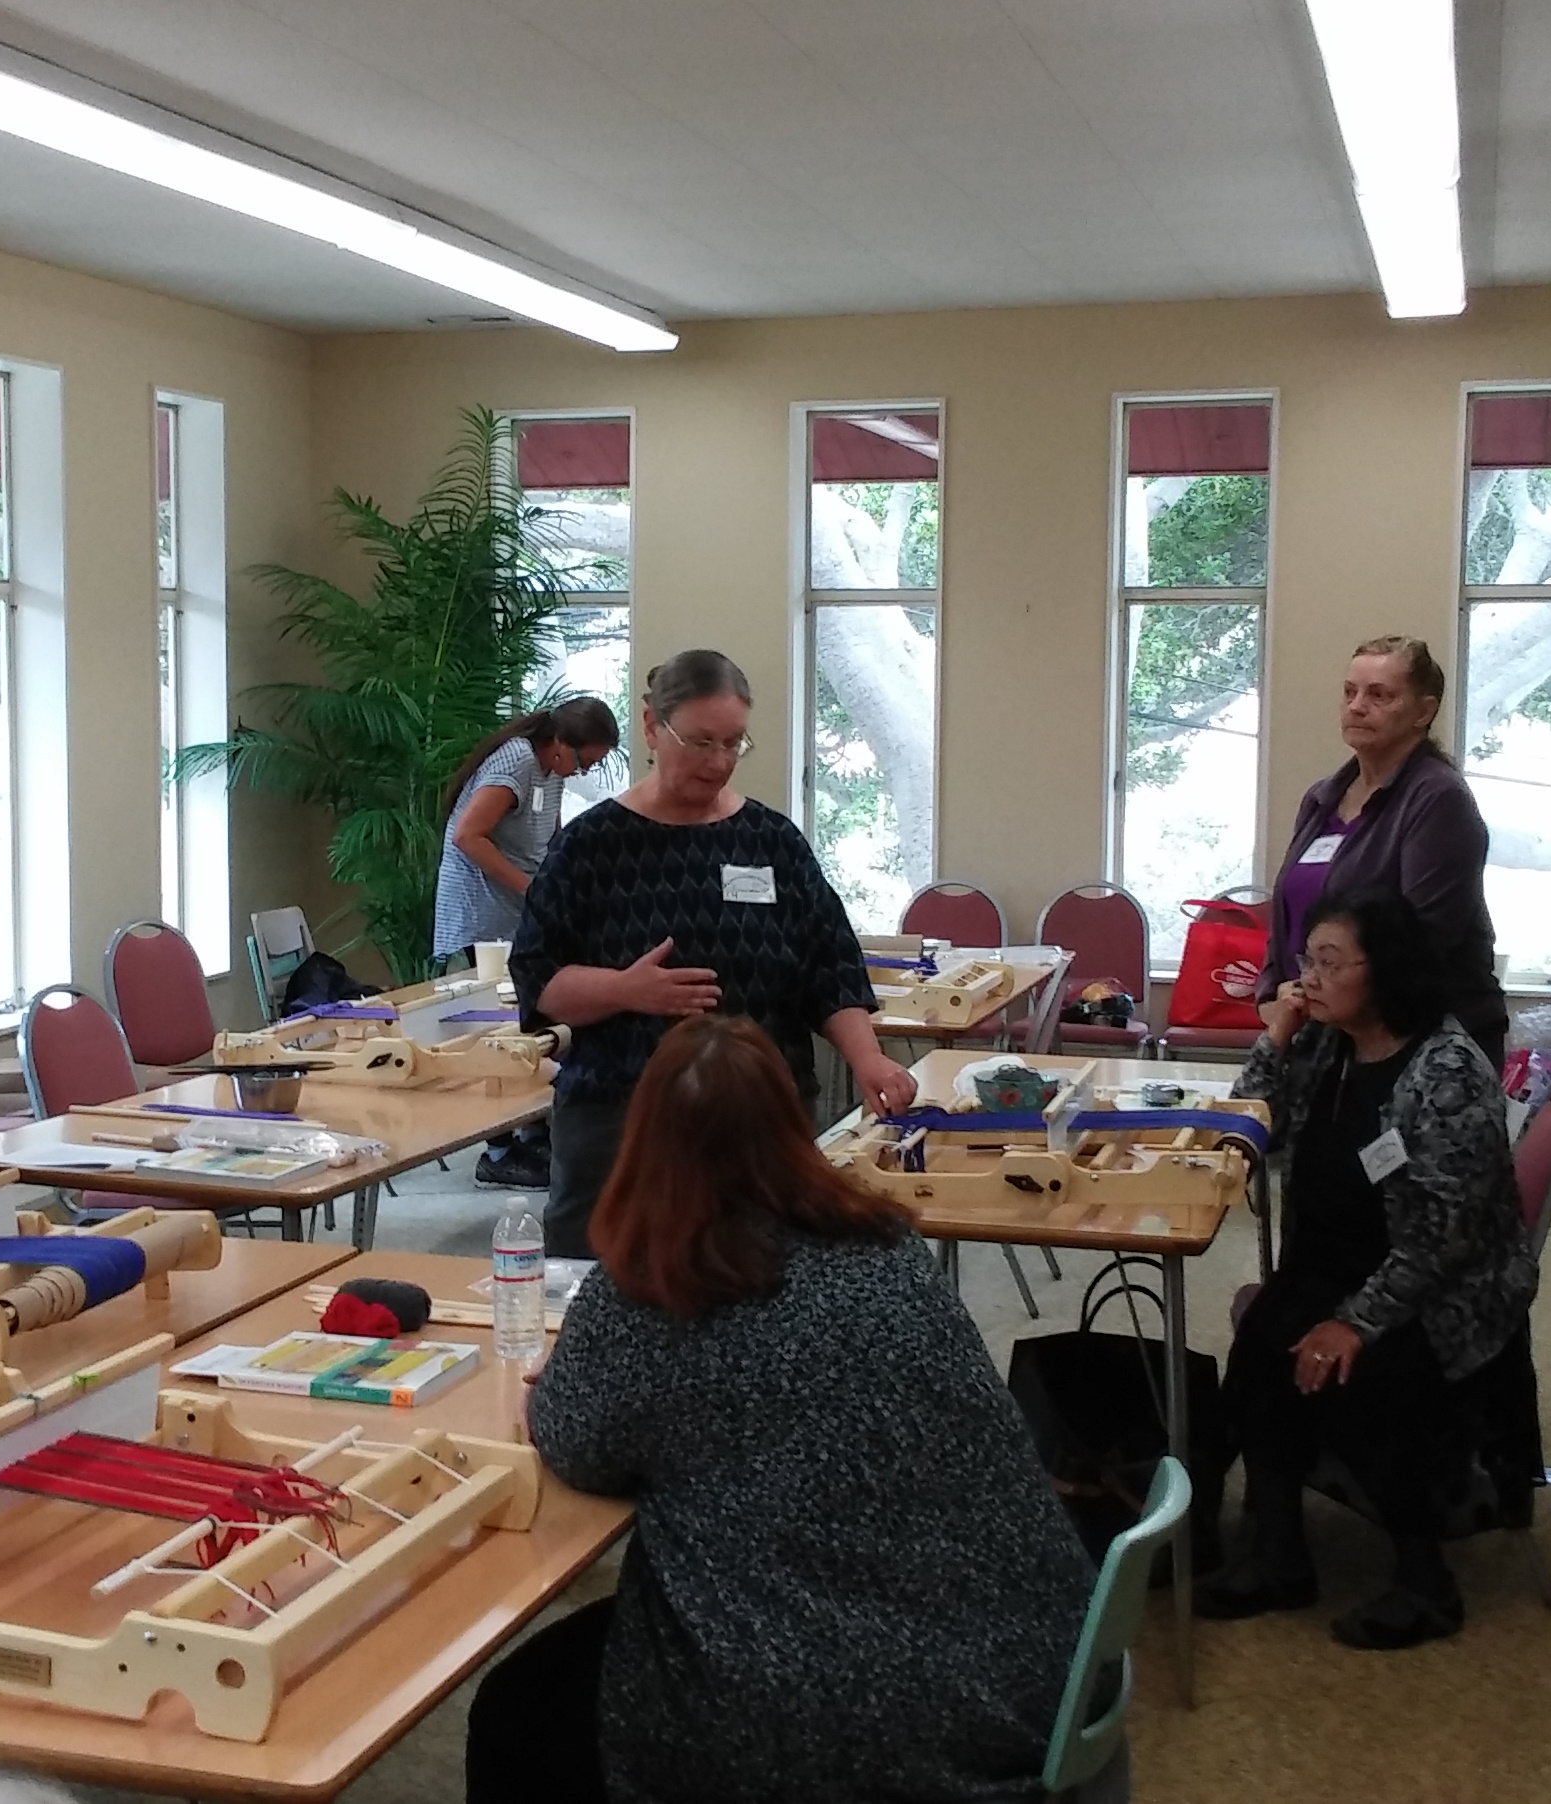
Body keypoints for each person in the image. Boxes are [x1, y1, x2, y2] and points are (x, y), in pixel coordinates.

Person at [465, 1017, 1101, 1804]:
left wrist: (569, 1372)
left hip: (849, 1722)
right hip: (1032, 1666)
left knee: (518, 1709)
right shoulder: (888, 1249)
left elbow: (572, 1442)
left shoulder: (650, 1294)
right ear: (789, 1126)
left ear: (646, 1139)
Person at [1196, 890, 1533, 1650]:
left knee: (1366, 1370)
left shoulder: (1446, 1071)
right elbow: (1246, 1131)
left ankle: (1425, 1582)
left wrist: (1353, 1321)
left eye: (1328, 963)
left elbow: (1444, 1241)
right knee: (1261, 1348)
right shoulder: (1326, 1044)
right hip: (1333, 1263)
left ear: (1383, 972)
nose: (1306, 978)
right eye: (1305, 960)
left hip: (1441, 1292)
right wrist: (1275, 1038)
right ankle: (1279, 1555)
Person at [509, 650, 915, 1259]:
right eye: (699, 742)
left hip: (762, 1114)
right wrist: (626, 990)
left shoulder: (772, 841)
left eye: (733, 744)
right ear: (651, 726)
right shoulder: (590, 847)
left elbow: (829, 967)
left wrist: (869, 1060)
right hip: (623, 1117)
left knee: (769, 1283)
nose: (718, 762)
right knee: (607, 1288)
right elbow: (539, 984)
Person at [1261, 635, 1508, 1062]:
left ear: (1424, 712)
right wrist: (1274, 996)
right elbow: (1289, 915)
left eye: (1379, 695)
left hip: (1418, 1047)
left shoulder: (1438, 799)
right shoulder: (1322, 798)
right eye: (1349, 692)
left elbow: (1423, 943)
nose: (1357, 706)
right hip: (1322, 1035)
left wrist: (1323, 994)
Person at [434, 697, 620, 1188]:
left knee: (535, 1017)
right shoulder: (516, 759)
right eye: (585, 761)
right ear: (560, 743)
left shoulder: (551, 768)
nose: (584, 770)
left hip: (520, 903)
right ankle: (497, 1151)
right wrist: (531, 888)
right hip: (482, 905)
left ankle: (532, 1134)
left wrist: (563, 875)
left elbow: (549, 832)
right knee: (506, 1019)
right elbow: (468, 835)